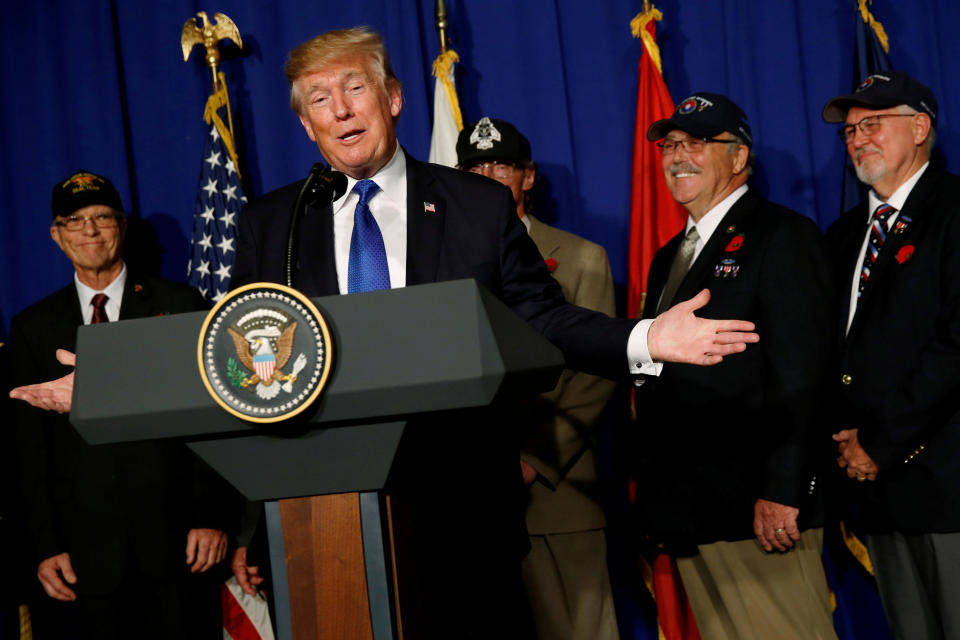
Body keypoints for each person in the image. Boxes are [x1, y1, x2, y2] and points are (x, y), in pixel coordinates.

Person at [633, 93, 838, 639]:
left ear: (739, 157)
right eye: (671, 144)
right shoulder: (668, 257)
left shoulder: (783, 237)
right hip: (691, 510)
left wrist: (783, 490)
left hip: (757, 511)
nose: (678, 156)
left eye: (697, 143)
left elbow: (805, 377)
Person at [8, 171, 234, 639]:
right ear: (56, 235)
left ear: (122, 226)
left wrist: (208, 517)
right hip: (83, 557)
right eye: (74, 220)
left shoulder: (179, 304)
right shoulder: (32, 328)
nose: (89, 230)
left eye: (101, 217)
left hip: (176, 547)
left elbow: (208, 420)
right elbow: (30, 451)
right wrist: (44, 545)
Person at [456, 117, 619, 640]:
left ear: (528, 177)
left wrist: (533, 459)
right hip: (470, 500)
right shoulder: (445, 264)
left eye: (500, 165)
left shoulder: (580, 257)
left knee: (577, 630)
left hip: (555, 493)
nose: (487, 176)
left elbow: (598, 376)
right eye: (474, 167)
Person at [823, 71, 960, 640]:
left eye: (873, 123)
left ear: (921, 126)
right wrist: (848, 437)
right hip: (874, 488)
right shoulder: (844, 232)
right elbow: (834, 349)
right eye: (851, 130)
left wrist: (878, 442)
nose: (858, 138)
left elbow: (955, 346)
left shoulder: (955, 211)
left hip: (947, 483)